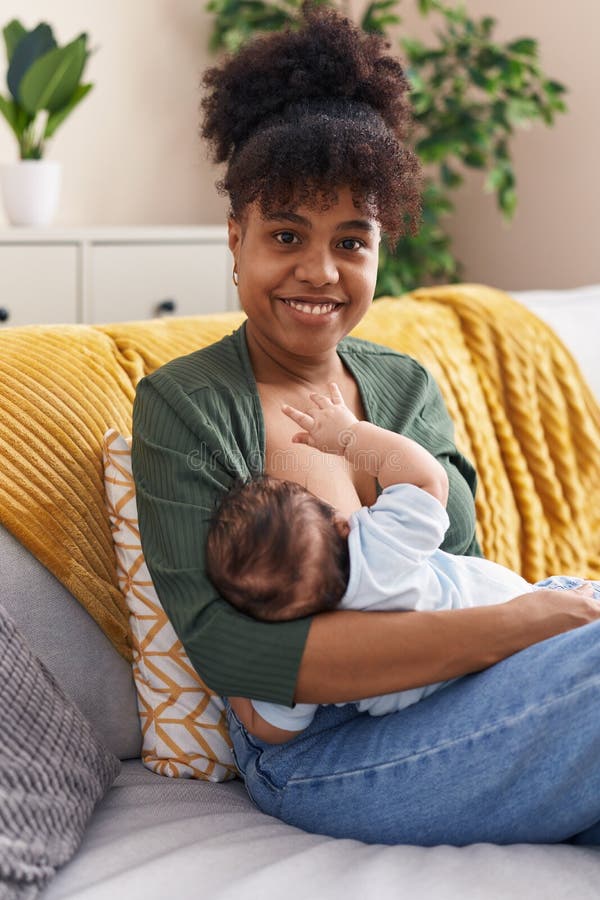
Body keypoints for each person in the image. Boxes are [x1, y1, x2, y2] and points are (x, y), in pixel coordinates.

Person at [131, 6, 600, 846]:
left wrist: (535, 619)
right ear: (236, 240)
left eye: (352, 241)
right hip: (320, 753)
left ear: (380, 249)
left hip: (460, 691)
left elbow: (458, 560)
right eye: (286, 235)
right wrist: (529, 623)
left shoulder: (405, 384)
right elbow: (235, 655)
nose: (319, 271)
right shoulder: (185, 403)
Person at [205, 382, 600, 730]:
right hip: (533, 610)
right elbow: (428, 478)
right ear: (341, 524)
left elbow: (271, 728)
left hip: (449, 709)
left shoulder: (309, 640)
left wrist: (231, 669)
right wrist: (350, 436)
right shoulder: (377, 544)